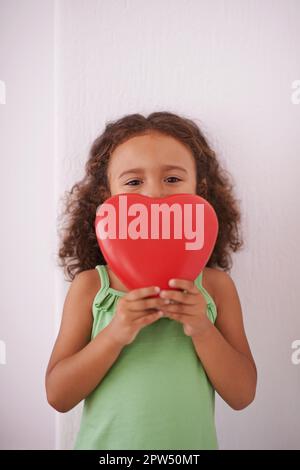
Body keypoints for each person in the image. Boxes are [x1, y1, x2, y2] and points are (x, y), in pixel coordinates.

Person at [45, 111, 257, 450]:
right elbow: (58, 395)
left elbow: (243, 393)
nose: (154, 195)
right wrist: (116, 333)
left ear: (198, 190)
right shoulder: (91, 288)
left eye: (172, 179)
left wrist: (202, 327)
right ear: (107, 196)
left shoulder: (215, 288)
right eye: (133, 182)